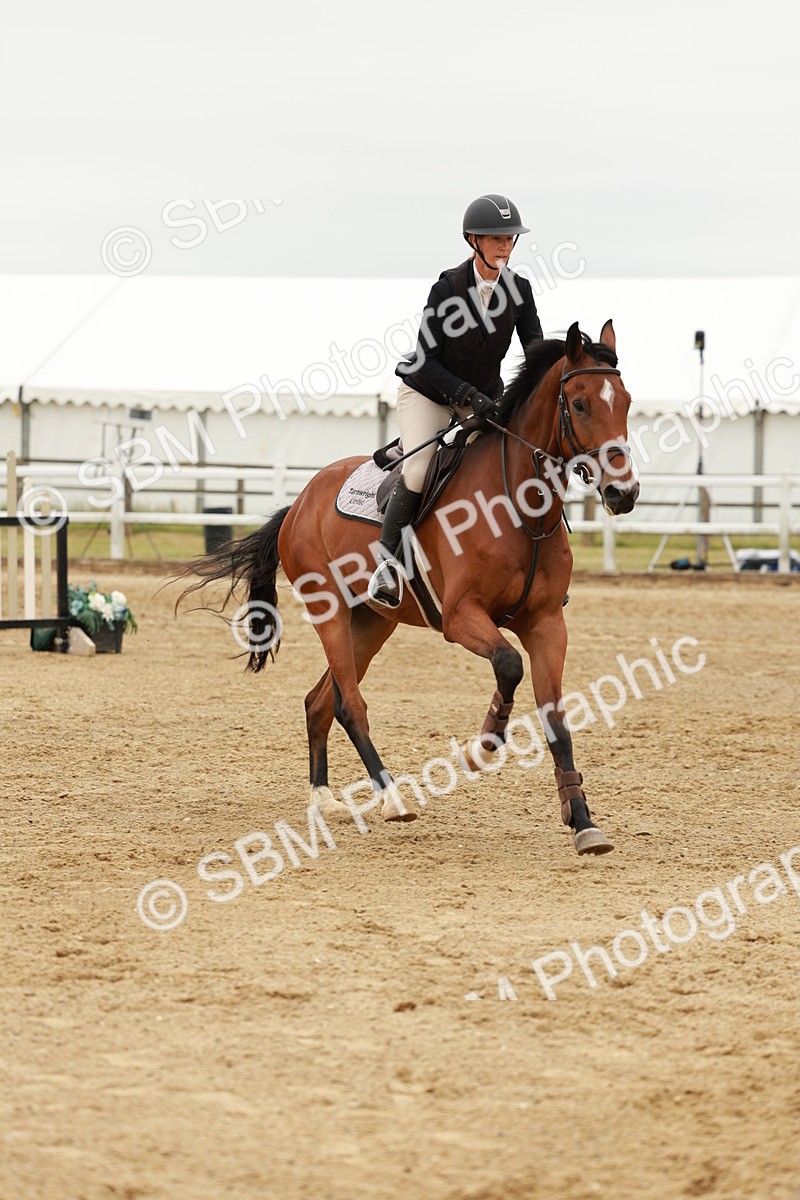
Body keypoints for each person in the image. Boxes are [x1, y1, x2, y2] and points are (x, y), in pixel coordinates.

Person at [368, 193, 543, 608]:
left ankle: (535, 564)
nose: (505, 246)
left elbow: (535, 352)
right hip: (428, 393)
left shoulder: (519, 290)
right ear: (473, 240)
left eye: (510, 238)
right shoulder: (447, 288)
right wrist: (468, 396)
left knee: (511, 459)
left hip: (481, 398)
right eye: (497, 238)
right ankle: (387, 566)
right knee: (418, 469)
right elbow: (425, 361)